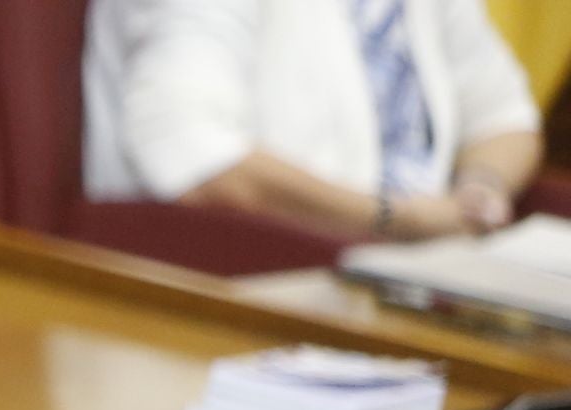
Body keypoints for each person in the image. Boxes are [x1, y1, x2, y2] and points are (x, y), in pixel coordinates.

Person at [85, 0, 549, 240]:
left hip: (409, 269)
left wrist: (480, 189)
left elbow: (504, 115)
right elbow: (195, 160)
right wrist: (398, 219)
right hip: (245, 279)